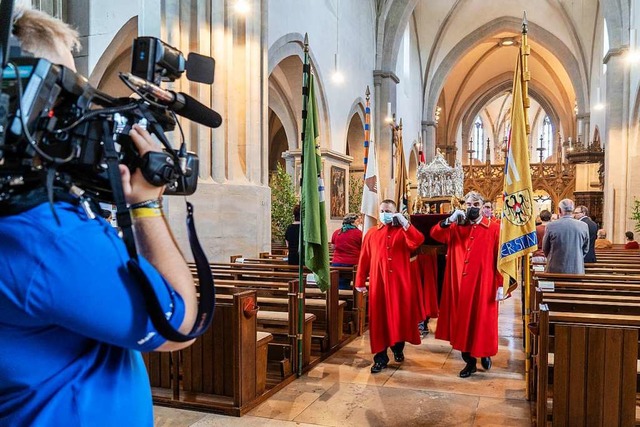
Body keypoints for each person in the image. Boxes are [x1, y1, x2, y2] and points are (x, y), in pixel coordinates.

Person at [0, 5, 198, 425]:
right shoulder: (43, 238)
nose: (81, 116)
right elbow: (177, 319)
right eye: (68, 94)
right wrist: (146, 205)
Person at [430, 191, 503, 378]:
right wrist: (448, 220)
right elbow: (435, 234)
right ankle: (469, 362)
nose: (472, 208)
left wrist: (500, 284)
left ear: (483, 207)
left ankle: (484, 353)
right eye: (468, 204)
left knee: (482, 322)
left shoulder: (494, 228)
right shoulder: (456, 227)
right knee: (463, 324)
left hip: (483, 284)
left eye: (476, 205)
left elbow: (500, 260)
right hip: (460, 286)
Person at [355, 199, 425, 373]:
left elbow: (418, 240)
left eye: (388, 211)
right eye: (382, 210)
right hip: (379, 284)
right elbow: (364, 258)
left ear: (395, 213)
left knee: (399, 319)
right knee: (379, 321)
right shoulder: (371, 233)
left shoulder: (403, 232)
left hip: (400, 285)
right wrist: (360, 281)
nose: (384, 213)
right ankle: (380, 358)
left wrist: (405, 224)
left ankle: (398, 348)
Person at [542, 199, 589, 274]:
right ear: (573, 210)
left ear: (559, 210)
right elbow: (585, 249)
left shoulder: (551, 226)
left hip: (555, 268)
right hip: (576, 268)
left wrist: (553, 257)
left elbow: (545, 248)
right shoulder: (583, 226)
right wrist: (576, 257)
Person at [330, 213, 363, 289]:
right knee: (355, 283)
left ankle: (340, 296)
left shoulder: (336, 232)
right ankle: (354, 297)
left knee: (339, 285)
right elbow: (363, 248)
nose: (358, 223)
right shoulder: (359, 233)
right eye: (357, 221)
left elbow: (333, 247)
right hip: (353, 264)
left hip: (337, 264)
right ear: (353, 222)